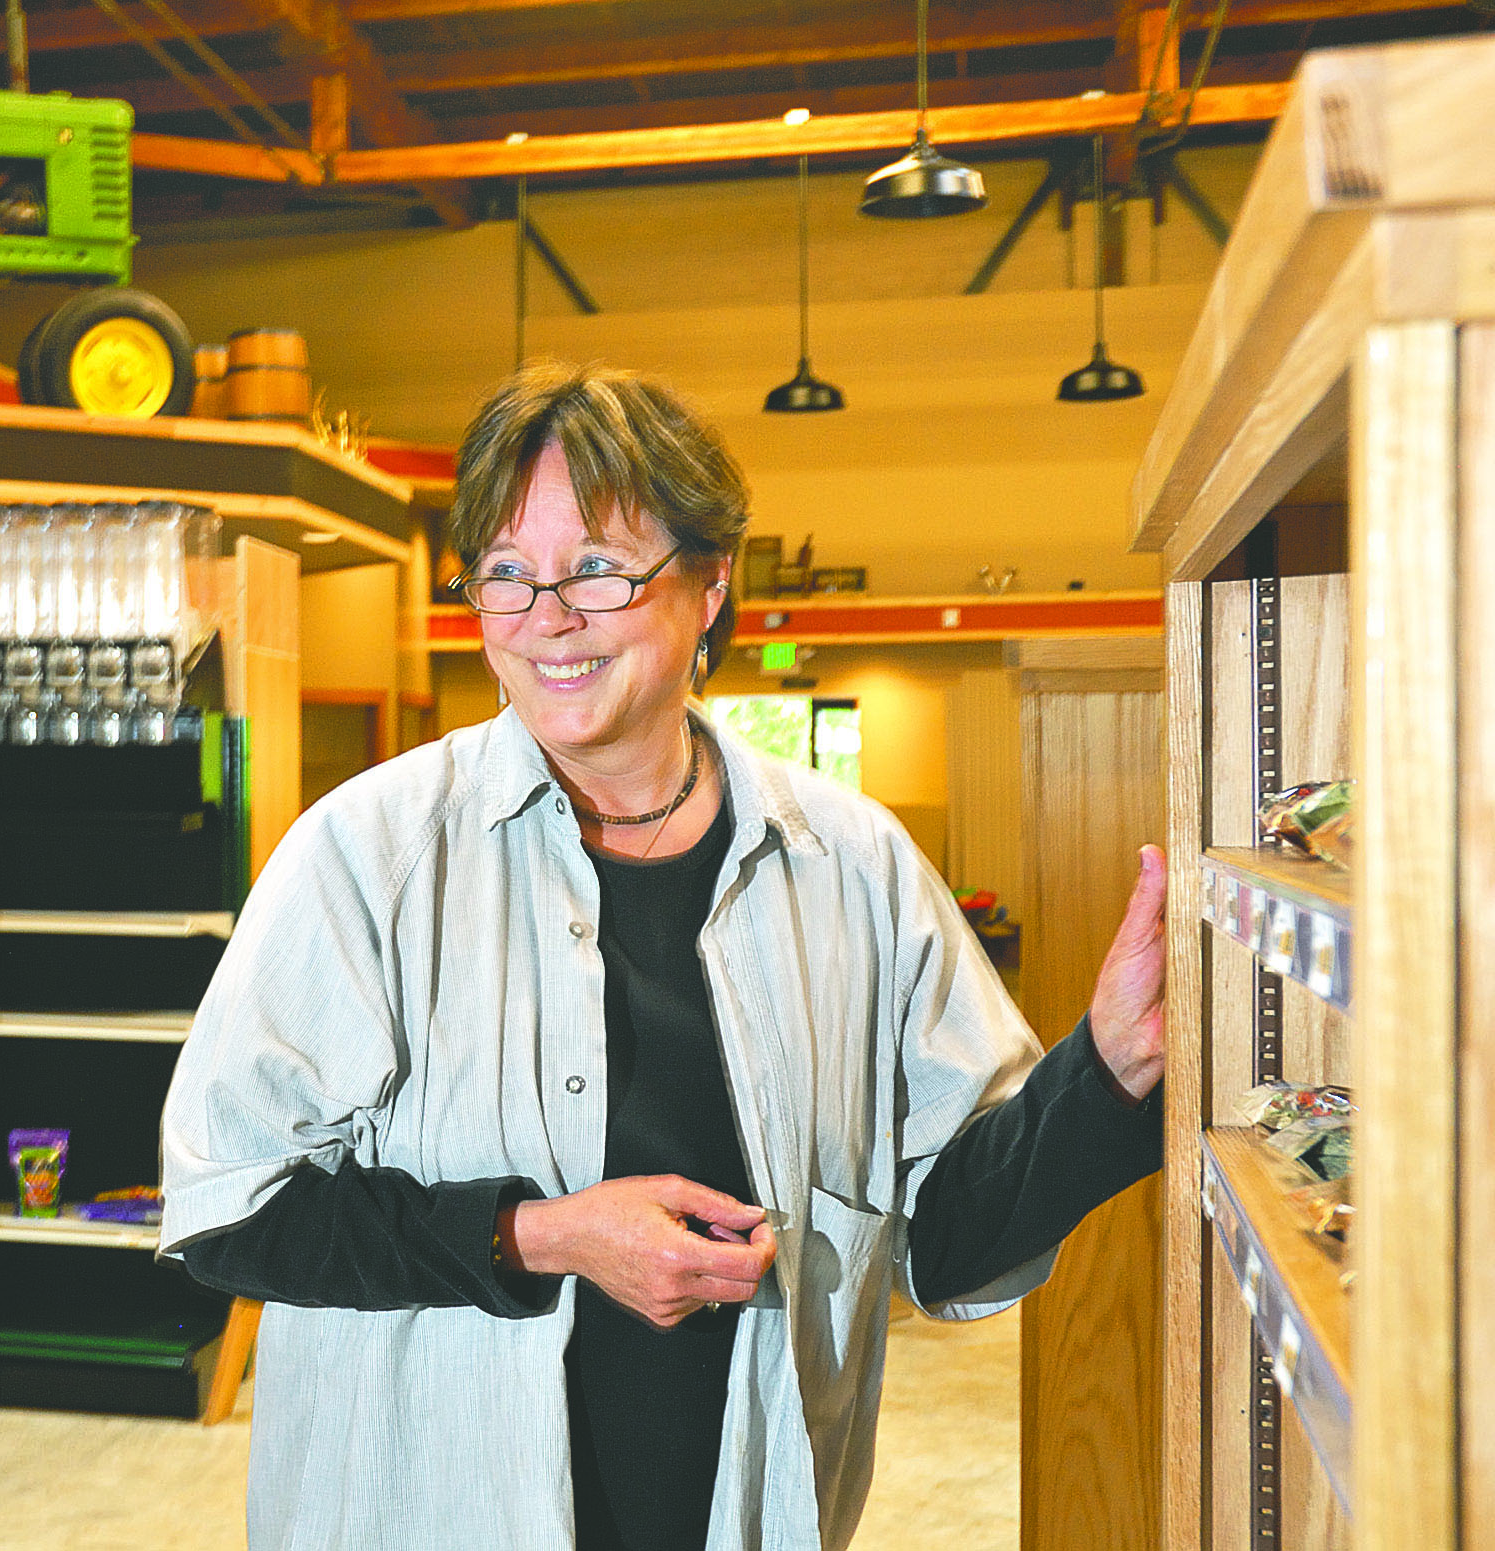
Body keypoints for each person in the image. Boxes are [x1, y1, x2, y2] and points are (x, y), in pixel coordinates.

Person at [157, 363, 1166, 1551]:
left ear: (710, 582)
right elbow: (231, 1208)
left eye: (596, 567)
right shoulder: (367, 855)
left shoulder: (851, 865)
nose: (546, 618)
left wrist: (1106, 1071)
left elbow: (942, 1228)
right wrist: (542, 1233)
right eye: (506, 574)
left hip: (741, 1510)